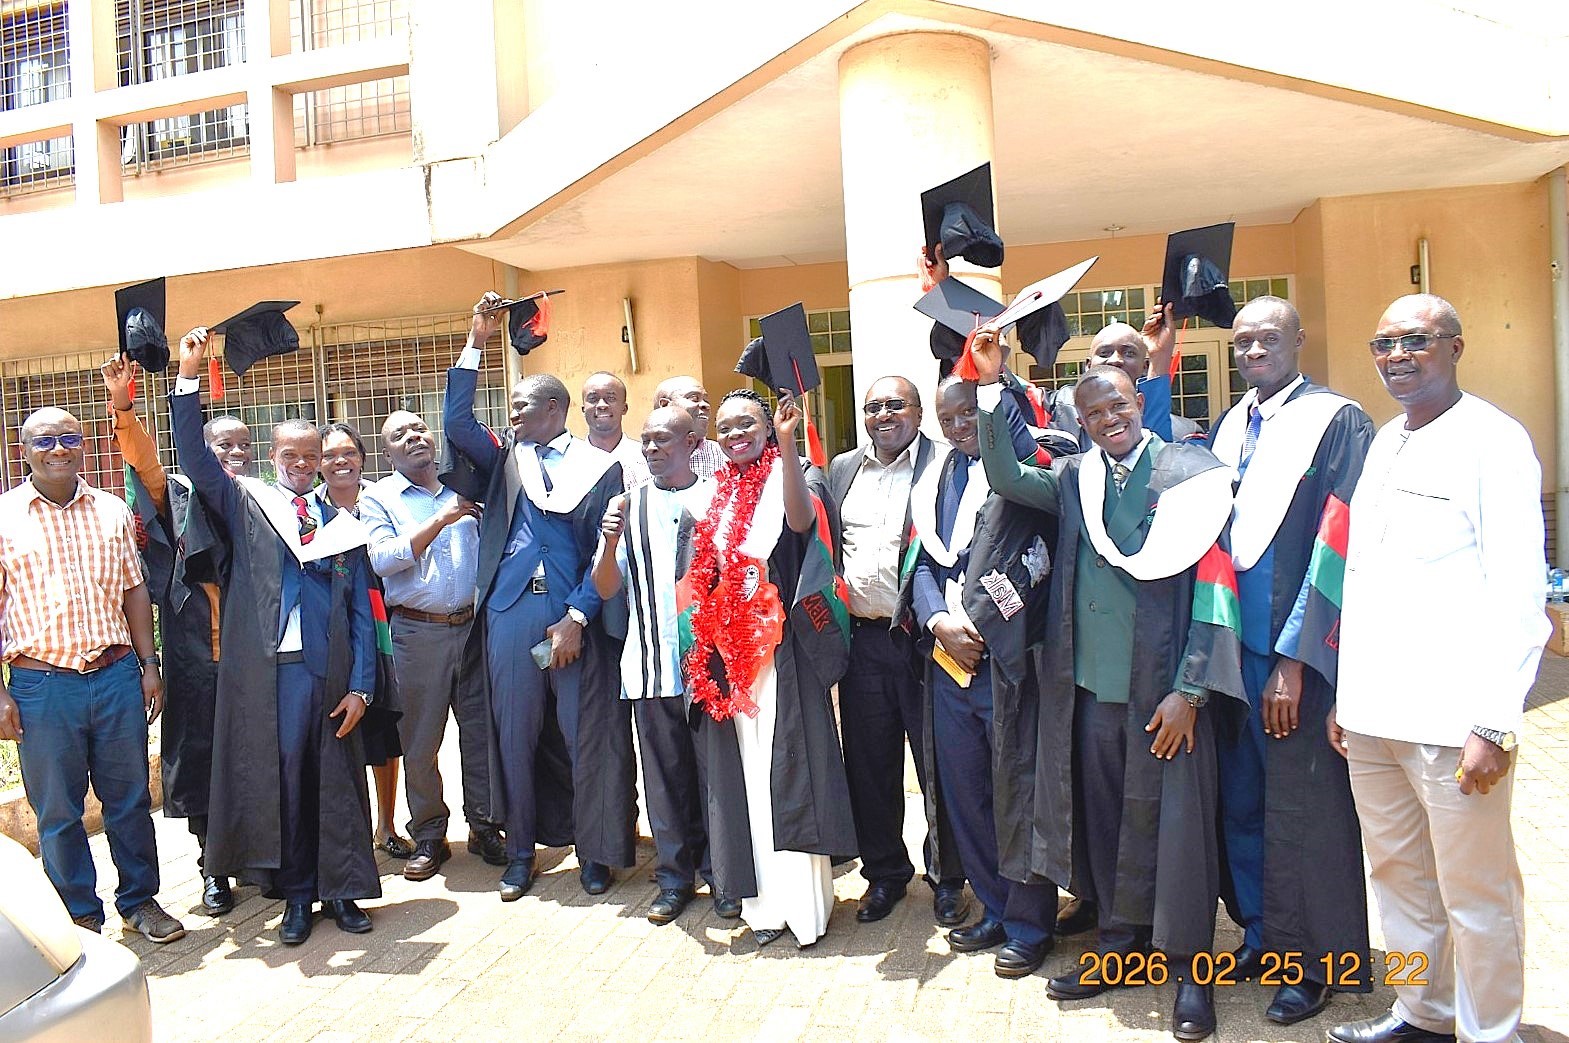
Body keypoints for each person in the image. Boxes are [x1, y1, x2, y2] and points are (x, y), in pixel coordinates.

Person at [970, 326, 1246, 1040]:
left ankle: (1188, 970)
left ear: (1141, 396)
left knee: (1177, 833)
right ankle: (1120, 946)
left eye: (1118, 405)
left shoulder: (1191, 473)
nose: (1108, 419)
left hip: (1165, 695)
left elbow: (1216, 592)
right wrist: (988, 386)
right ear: (1081, 422)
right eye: (1093, 413)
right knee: (1107, 828)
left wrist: (1191, 690)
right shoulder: (1074, 481)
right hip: (1091, 691)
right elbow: (1004, 474)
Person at [1327, 295, 1548, 1043]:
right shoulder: (1384, 440)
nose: (1396, 355)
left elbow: (1521, 594)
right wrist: (1344, 699)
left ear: (1455, 346)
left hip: (1455, 722)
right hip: (1372, 714)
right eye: (1382, 342)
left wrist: (1495, 718)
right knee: (1396, 880)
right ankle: (1424, 1011)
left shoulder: (1493, 439)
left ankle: (1492, 1031)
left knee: (1475, 891)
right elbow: (1363, 577)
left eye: (1414, 340)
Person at [171, 327, 380, 945]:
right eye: (290, 456)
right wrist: (189, 377)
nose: (301, 465)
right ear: (272, 457)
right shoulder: (249, 507)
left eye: (311, 457)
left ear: (322, 459)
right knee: (286, 779)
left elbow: (363, 615)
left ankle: (343, 892)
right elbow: (193, 454)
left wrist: (363, 686)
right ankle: (295, 896)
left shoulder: (339, 523)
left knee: (338, 780)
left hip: (332, 671)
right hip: (273, 672)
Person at [1206, 295, 1373, 1024]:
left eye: (1267, 338)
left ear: (1300, 339)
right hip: (1229, 645)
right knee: (1239, 798)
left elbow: (1336, 546)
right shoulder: (1230, 422)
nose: (1252, 351)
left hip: (1289, 653)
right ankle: (1261, 932)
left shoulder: (1336, 422)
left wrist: (1297, 659)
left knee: (1303, 807)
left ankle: (1316, 963)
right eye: (1242, 341)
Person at [444, 292, 636, 902]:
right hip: (508, 614)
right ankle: (522, 853)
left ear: (555, 408)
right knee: (515, 734)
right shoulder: (506, 460)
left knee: (586, 737)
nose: (514, 416)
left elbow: (603, 553)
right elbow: (455, 423)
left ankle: (595, 852)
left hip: (572, 615)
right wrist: (477, 338)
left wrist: (579, 616)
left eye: (523, 406)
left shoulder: (597, 467)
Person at [0, 407, 184, 943]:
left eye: (69, 439)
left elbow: (134, 590)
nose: (58, 449)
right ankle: (78, 915)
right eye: (44, 441)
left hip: (116, 676)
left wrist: (149, 667)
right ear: (24, 451)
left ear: (84, 445)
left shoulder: (110, 510)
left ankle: (140, 900)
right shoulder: (5, 516)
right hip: (41, 685)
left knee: (128, 800)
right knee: (57, 810)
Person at [681, 387, 857, 947]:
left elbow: (802, 525)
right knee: (746, 776)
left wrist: (785, 445)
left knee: (789, 769)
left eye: (748, 426)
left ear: (767, 427)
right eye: (727, 427)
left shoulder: (793, 479)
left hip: (783, 652)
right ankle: (762, 908)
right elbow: (696, 581)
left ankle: (805, 909)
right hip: (731, 657)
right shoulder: (707, 497)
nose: (736, 435)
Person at [903, 375, 1059, 977]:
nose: (959, 426)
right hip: (947, 660)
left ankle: (1028, 922)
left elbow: (1039, 560)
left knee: (1015, 791)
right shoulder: (938, 477)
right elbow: (922, 558)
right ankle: (994, 905)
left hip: (1007, 660)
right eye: (949, 418)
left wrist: (981, 621)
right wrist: (939, 618)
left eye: (969, 413)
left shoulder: (1029, 467)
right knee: (966, 789)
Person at [826, 377, 968, 928]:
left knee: (937, 762)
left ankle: (948, 877)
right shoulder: (843, 469)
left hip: (924, 639)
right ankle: (884, 873)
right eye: (873, 406)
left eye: (896, 405)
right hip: (862, 640)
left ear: (917, 412)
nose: (884, 415)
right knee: (869, 763)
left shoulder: (942, 464)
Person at [102, 356, 236, 917]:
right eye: (219, 447)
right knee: (203, 762)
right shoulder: (175, 496)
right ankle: (213, 870)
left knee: (252, 761)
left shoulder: (260, 501)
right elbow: (144, 459)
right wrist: (125, 405)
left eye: (240, 447)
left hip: (254, 661)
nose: (231, 456)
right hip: (195, 657)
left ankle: (260, 858)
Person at [592, 406, 726, 924]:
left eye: (663, 440)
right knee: (664, 779)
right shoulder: (626, 506)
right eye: (646, 441)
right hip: (649, 665)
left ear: (693, 443)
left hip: (707, 667)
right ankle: (674, 879)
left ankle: (721, 874)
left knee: (713, 776)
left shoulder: (717, 499)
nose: (651, 449)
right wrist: (607, 542)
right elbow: (606, 588)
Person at [360, 410, 505, 881]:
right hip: (417, 633)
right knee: (420, 741)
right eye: (399, 435)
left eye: (419, 428)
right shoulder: (379, 499)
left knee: (481, 733)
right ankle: (429, 831)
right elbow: (382, 559)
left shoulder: (465, 485)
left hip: (474, 629)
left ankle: (485, 825)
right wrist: (442, 519)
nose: (413, 438)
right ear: (387, 454)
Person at [316, 422, 409, 861]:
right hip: (330, 636)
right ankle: (343, 832)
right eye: (330, 455)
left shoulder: (382, 500)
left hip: (384, 628)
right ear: (318, 464)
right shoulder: (307, 510)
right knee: (339, 731)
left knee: (384, 731)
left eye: (348, 453)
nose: (340, 461)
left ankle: (386, 826)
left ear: (362, 458)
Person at [582, 371, 650, 490]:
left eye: (611, 398)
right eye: (593, 399)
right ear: (583, 409)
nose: (602, 405)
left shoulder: (648, 458)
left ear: (624, 408)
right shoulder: (568, 464)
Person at [653, 375, 726, 479]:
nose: (706, 405)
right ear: (665, 405)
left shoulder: (725, 457)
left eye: (706, 400)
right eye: (694, 398)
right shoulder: (638, 463)